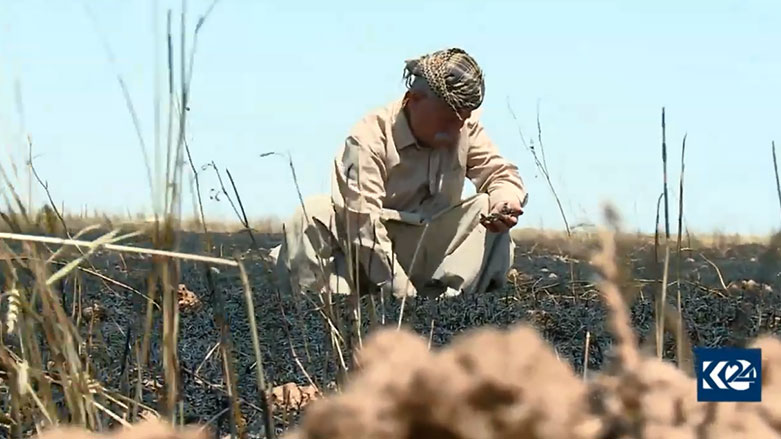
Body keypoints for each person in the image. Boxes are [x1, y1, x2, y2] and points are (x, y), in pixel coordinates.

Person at [270, 47, 528, 300]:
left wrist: (506, 199)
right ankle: (329, 308)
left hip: (425, 252)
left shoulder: (462, 127)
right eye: (447, 120)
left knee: (486, 206)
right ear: (414, 100)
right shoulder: (368, 139)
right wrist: (405, 298)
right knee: (313, 212)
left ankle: (456, 306)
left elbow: (499, 173)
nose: (455, 132)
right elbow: (363, 230)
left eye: (462, 121)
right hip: (363, 261)